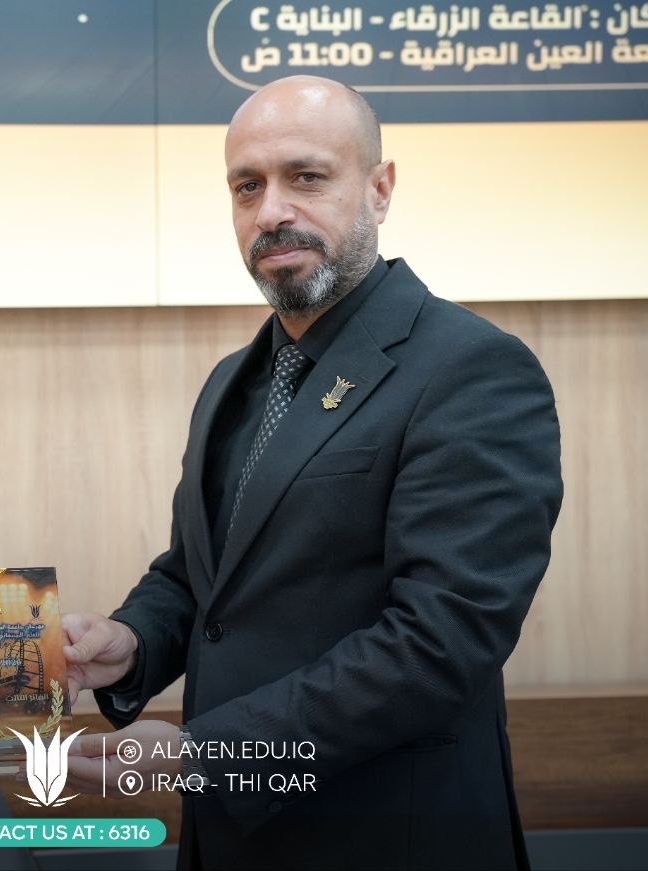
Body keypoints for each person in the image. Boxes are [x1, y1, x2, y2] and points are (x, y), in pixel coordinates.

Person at [57, 76, 563, 869]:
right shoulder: (232, 380)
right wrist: (131, 640)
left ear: (380, 188)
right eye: (247, 186)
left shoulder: (472, 369)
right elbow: (202, 579)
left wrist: (205, 753)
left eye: (307, 177)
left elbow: (441, 642)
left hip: (390, 839)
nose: (271, 211)